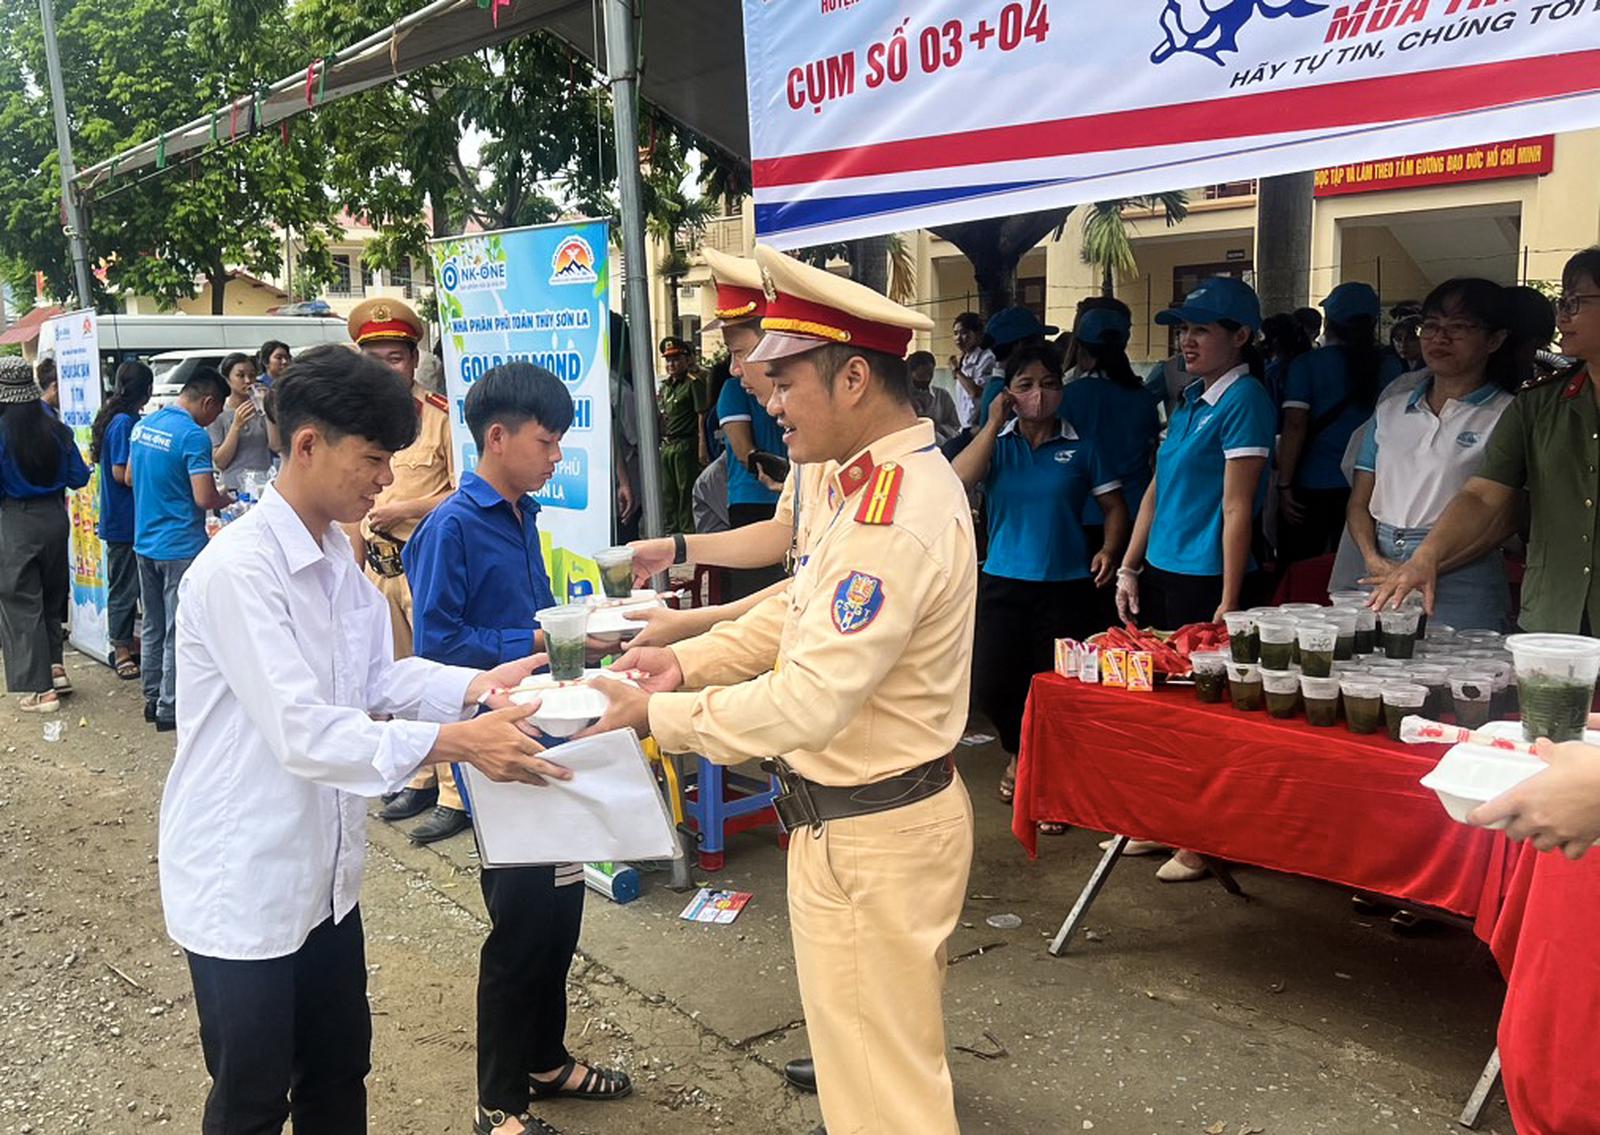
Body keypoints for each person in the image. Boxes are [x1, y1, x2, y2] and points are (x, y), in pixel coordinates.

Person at [588, 244, 974, 1135]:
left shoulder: (893, 512)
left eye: (785, 379)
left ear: (852, 379)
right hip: (850, 821)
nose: (766, 398)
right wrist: (688, 661)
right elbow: (801, 608)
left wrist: (661, 713)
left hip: (874, 831)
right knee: (865, 1079)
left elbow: (806, 699)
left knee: (887, 1102)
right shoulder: (864, 484)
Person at [159, 344, 564, 1135]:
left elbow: (379, 678)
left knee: (339, 1072)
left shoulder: (336, 560)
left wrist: (478, 685)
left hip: (325, 880)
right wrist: (460, 742)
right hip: (244, 878)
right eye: (374, 459)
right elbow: (304, 731)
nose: (386, 480)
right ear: (309, 444)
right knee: (250, 1097)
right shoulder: (240, 571)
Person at [404, 363, 630, 1135]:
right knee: (521, 921)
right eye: (546, 441)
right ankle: (499, 1102)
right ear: (496, 437)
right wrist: (535, 639)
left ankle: (544, 1058)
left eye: (560, 442)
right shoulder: (450, 526)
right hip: (496, 746)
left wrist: (577, 631)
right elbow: (437, 648)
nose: (556, 456)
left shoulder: (522, 515)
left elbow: (532, 620)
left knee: (560, 907)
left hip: (547, 731)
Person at [1116, 277, 1274, 884]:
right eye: (1184, 329)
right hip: (1165, 570)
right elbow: (1156, 490)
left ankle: (1202, 837)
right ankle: (1165, 818)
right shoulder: (1190, 401)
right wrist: (1130, 565)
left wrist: (1230, 600)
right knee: (1165, 707)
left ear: (1241, 336)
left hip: (1208, 578)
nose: (1187, 340)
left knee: (1205, 715)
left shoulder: (1245, 400)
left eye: (1202, 329)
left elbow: (1238, 506)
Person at [1369, 247, 1600, 630]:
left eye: (1575, 303)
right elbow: (1483, 494)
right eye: (1562, 302)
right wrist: (1427, 556)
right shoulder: (1539, 403)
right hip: (1555, 613)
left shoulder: (1507, 405)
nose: (1562, 316)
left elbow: (1504, 516)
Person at [954, 343, 1128, 811]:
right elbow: (958, 480)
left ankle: (1043, 778)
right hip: (1003, 580)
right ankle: (1019, 750)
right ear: (1008, 391)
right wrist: (993, 421)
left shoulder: (1083, 446)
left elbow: (1115, 507)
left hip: (1066, 585)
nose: (1039, 394)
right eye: (1026, 384)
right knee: (992, 682)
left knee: (1053, 683)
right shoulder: (998, 444)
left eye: (1049, 384)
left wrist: (1110, 550)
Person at [344, 298, 465, 842]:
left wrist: (405, 510)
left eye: (394, 358)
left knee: (435, 680)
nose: (385, 369)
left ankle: (454, 793)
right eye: (374, 360)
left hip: (426, 567)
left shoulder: (440, 418)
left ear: (414, 360)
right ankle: (418, 777)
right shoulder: (354, 426)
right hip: (379, 570)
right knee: (395, 682)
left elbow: (462, 493)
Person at [1346, 279, 1519, 631]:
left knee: (1465, 664)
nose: (1440, 338)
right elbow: (1359, 502)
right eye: (1431, 326)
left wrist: (1427, 563)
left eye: (1459, 327)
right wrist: (1371, 557)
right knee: (1382, 663)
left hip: (1463, 569)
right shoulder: (1391, 409)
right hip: (1382, 565)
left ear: (1495, 340)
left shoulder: (1509, 413)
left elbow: (1504, 519)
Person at [131, 366, 232, 732]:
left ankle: (152, 694)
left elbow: (130, 476)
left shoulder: (144, 426)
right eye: (217, 410)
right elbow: (204, 497)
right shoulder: (192, 436)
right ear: (208, 401)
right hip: (180, 545)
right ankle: (169, 706)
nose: (215, 418)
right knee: (179, 627)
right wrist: (225, 498)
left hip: (145, 540)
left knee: (153, 623)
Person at [1275, 282, 1404, 564]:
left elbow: (1294, 426)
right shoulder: (1391, 366)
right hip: (1372, 486)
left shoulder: (1307, 365)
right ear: (1372, 323)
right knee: (1356, 567)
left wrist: (1284, 484)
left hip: (1314, 482)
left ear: (1329, 322)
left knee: (1302, 565)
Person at [0, 357, 88, 713]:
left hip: (15, 520)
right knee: (52, 596)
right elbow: (79, 477)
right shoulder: (57, 429)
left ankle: (41, 691)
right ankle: (55, 668)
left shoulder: (2, 431)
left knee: (21, 602)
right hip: (55, 517)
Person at [90, 360, 154, 680]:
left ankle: (130, 640)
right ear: (148, 390)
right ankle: (121, 647)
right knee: (125, 587)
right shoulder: (123, 423)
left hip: (132, 518)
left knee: (135, 585)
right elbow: (120, 473)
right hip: (123, 520)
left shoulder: (125, 419)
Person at [208, 352, 274, 492]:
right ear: (227, 379)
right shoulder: (219, 413)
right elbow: (220, 462)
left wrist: (268, 411)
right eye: (240, 375)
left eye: (252, 375)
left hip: (263, 486)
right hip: (233, 488)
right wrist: (236, 426)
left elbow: (277, 446)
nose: (248, 381)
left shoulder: (262, 407)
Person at [656, 336, 702, 535]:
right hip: (667, 444)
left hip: (685, 444)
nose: (671, 364)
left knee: (685, 491)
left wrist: (702, 446)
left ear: (686, 359)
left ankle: (687, 532)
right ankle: (670, 531)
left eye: (676, 359)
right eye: (668, 360)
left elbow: (701, 416)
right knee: (667, 491)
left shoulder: (693, 384)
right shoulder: (665, 387)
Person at [949, 311, 995, 430]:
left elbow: (975, 392)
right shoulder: (964, 360)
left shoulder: (987, 358)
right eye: (955, 333)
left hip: (979, 427)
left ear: (978, 334)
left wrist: (957, 371)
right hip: (965, 426)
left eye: (964, 333)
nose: (958, 338)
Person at [908, 350, 961, 441]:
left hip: (940, 444)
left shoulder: (943, 396)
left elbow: (955, 426)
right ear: (910, 374)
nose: (926, 379)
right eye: (921, 376)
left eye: (930, 375)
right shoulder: (902, 397)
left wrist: (938, 427)